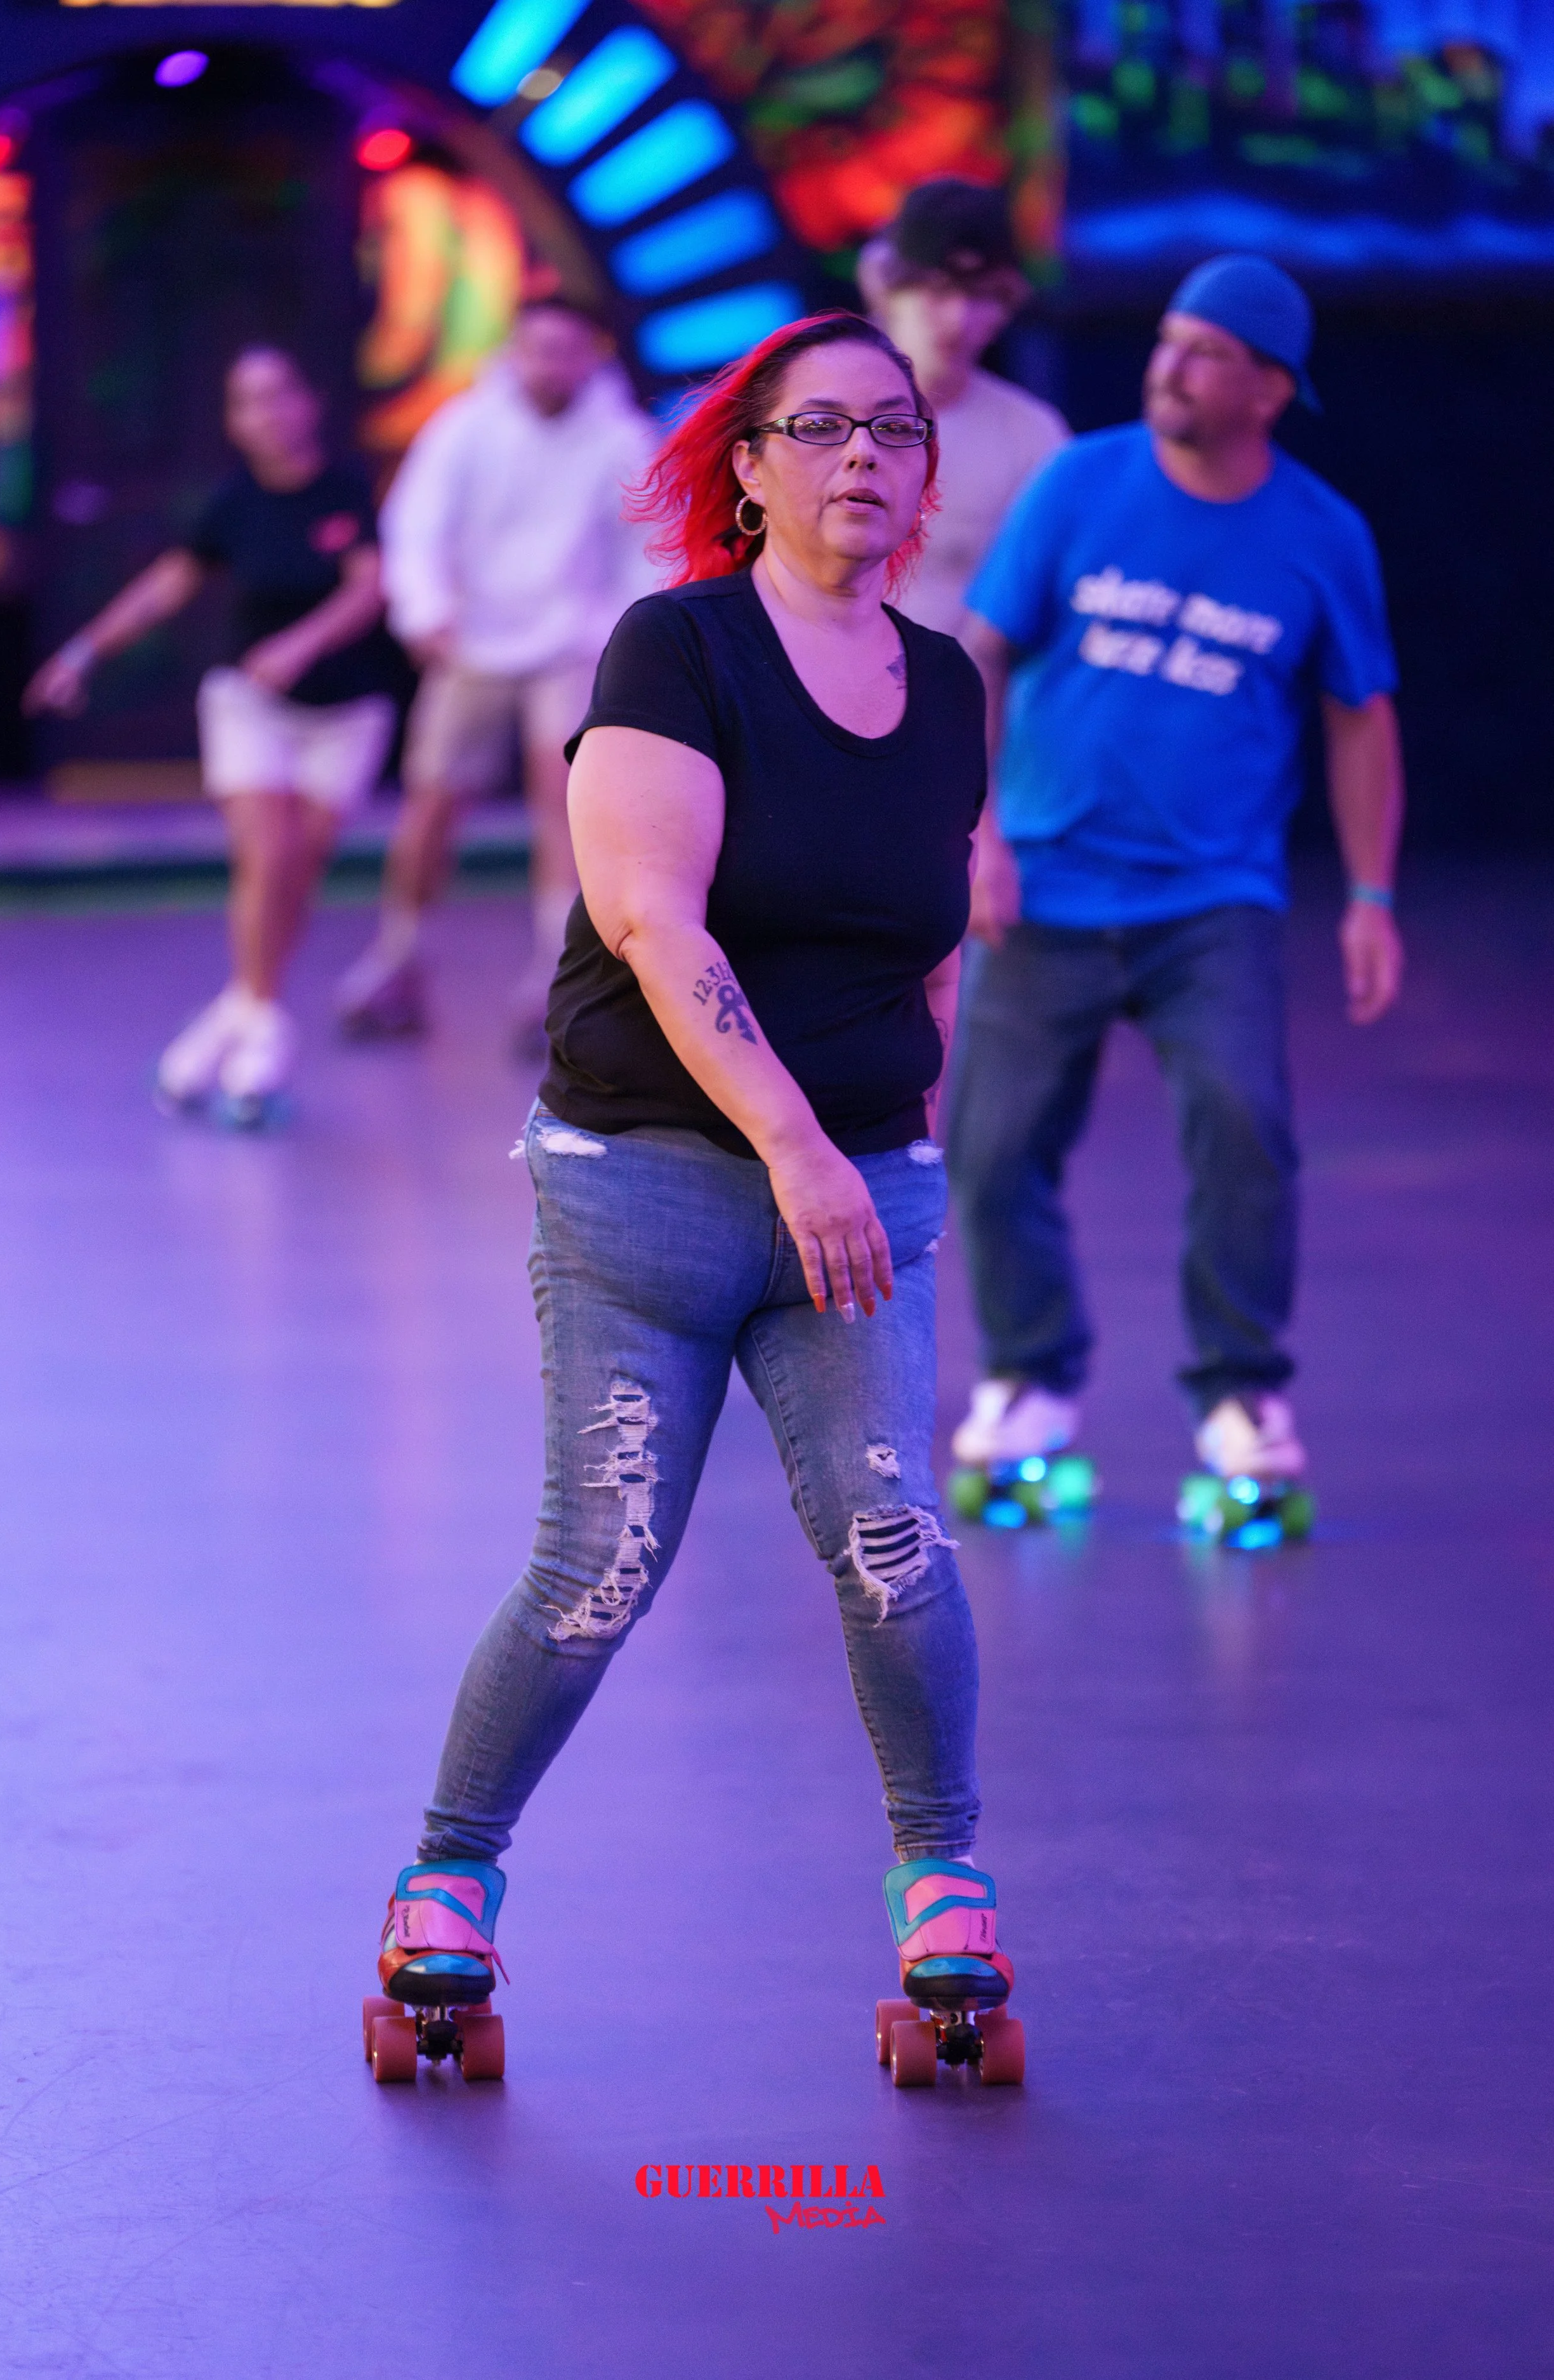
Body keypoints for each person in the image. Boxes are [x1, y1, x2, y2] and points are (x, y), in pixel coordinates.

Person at [362, 311, 1021, 2089]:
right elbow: (658, 923)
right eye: (816, 428)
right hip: (647, 1184)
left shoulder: (948, 680)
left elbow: (933, 943)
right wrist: (803, 1149)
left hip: (857, 1192)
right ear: (746, 465)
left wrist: (900, 1139)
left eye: (891, 429)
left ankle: (940, 1874)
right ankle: (448, 1873)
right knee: (600, 1565)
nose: (861, 457)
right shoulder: (677, 647)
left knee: (896, 1547)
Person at [949, 254, 1405, 1489]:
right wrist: (978, 836)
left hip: (1211, 901)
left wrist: (1368, 895)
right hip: (1043, 880)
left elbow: (1359, 716)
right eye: (1164, 342)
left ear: (1266, 388)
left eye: (1204, 352)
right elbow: (977, 655)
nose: (1169, 367)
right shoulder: (1078, 485)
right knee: (989, 1146)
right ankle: (1030, 1375)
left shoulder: (1320, 535)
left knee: (1244, 1125)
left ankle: (1239, 1391)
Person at [24, 347, 397, 1120]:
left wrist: (305, 642)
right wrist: (84, 652)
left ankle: (230, 1020)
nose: (265, 414)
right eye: (246, 402)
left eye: (277, 396)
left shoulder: (347, 490)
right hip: (248, 704)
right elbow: (167, 584)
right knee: (269, 855)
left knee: (298, 872)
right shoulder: (230, 505)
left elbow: (371, 587)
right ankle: (261, 1032)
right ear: (233, 420)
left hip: (346, 712)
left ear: (308, 403)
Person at [335, 297, 657, 1052]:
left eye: (566, 350)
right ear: (516, 351)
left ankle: (556, 975)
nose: (551, 366)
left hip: (573, 644)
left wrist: (618, 636)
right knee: (433, 805)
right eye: (538, 349)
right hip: (471, 642)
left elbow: (648, 546)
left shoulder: (621, 439)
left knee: (568, 807)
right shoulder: (465, 428)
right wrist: (426, 611)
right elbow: (417, 525)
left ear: (590, 354)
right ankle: (399, 958)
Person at [859, 179, 1068, 637]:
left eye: (980, 296)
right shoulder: (815, 416)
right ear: (885, 288)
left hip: (959, 702)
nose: (958, 318)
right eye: (937, 291)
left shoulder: (1034, 436)